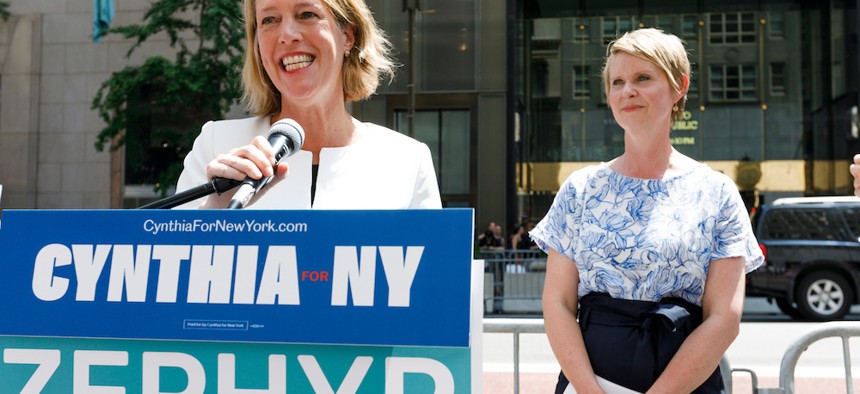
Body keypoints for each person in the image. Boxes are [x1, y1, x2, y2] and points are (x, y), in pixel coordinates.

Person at [530, 28, 763, 394]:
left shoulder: (717, 192)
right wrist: (589, 390)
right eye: (617, 81)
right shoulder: (580, 189)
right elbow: (557, 303)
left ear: (679, 87)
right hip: (589, 385)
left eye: (643, 78)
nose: (627, 91)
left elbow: (724, 318)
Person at [174, 0, 441, 209]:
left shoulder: (407, 160)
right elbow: (171, 267)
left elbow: (435, 274)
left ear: (348, 34)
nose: (287, 34)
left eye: (306, 14)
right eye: (269, 20)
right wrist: (214, 210)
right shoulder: (216, 144)